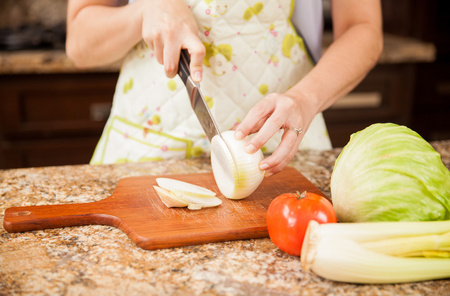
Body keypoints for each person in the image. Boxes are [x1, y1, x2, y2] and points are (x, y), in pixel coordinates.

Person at [66, 0, 383, 176]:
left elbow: (363, 27)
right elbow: (80, 41)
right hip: (142, 151)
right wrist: (144, 11)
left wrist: (304, 98)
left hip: (280, 148)